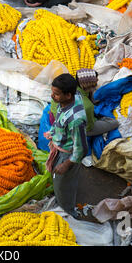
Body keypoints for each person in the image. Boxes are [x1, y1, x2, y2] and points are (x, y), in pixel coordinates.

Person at [44, 73, 89, 218]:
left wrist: (67, 163)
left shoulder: (76, 120)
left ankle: (68, 210)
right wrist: (53, 132)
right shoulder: (67, 102)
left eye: (56, 94)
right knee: (61, 179)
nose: (52, 96)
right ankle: (62, 195)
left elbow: (81, 148)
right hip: (60, 146)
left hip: (67, 154)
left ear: (68, 95)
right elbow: (59, 120)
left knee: (63, 184)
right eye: (52, 92)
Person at [49, 69, 119, 137]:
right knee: (114, 123)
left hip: (56, 119)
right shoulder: (87, 106)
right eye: (95, 83)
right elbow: (89, 127)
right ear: (88, 86)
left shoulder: (62, 90)